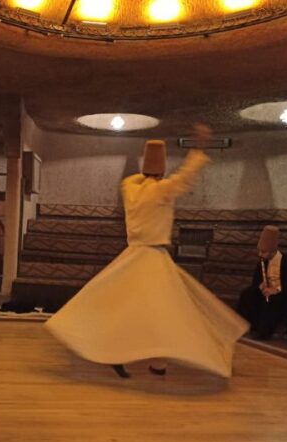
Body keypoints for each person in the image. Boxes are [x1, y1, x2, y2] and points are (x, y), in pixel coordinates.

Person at [44, 125, 249, 379]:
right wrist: (199, 148)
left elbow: (136, 179)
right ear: (162, 170)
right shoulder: (161, 191)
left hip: (132, 255)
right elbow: (186, 176)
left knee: (126, 308)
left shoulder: (130, 188)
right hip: (153, 258)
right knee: (163, 311)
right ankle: (157, 362)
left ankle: (137, 357)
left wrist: (151, 164)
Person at [236, 226, 287, 341]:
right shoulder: (262, 261)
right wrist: (260, 286)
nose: (260, 254)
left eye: (264, 252)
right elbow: (256, 280)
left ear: (272, 251)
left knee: (272, 301)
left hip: (283, 293)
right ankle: (242, 326)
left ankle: (263, 332)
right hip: (266, 290)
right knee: (246, 294)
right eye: (259, 251)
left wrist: (276, 290)